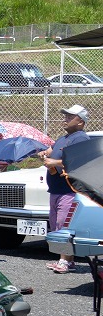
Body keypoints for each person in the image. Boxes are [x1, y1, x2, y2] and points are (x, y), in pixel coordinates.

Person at [43, 104, 91, 273]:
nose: (66, 119)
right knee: (56, 224)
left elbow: (79, 162)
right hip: (56, 189)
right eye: (66, 116)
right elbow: (52, 151)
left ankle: (65, 261)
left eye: (71, 117)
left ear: (81, 122)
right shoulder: (63, 138)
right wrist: (45, 154)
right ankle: (65, 260)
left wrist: (54, 162)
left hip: (69, 190)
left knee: (64, 225)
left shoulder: (81, 138)